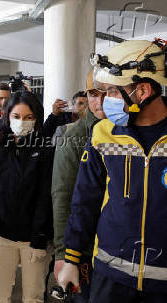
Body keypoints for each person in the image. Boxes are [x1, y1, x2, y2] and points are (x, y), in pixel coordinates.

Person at [58, 39, 167, 303]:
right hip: (109, 277)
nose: (105, 101)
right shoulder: (103, 133)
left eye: (113, 92)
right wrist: (71, 257)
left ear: (143, 91)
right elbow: (85, 200)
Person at [0, 90, 53, 303]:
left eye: (29, 117)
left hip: (34, 238)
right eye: (17, 117)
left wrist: (39, 239)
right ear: (7, 116)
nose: (22, 122)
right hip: (3, 235)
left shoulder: (45, 150)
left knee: (33, 296)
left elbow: (45, 197)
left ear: (37, 119)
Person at [51, 71, 106, 303]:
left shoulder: (129, 132)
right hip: (82, 246)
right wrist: (63, 253)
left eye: (108, 93)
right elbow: (62, 195)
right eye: (94, 94)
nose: (100, 101)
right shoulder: (74, 135)